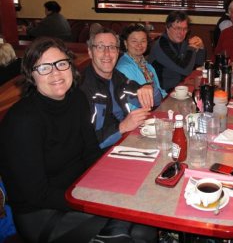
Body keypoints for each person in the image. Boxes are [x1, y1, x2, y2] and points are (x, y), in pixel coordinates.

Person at [0, 37, 157, 243]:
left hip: (79, 191)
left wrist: (120, 175)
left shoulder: (77, 99)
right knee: (137, 235)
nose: (56, 73)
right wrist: (93, 199)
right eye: (44, 67)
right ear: (31, 74)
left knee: (145, 221)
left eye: (61, 64)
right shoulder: (22, 120)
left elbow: (91, 152)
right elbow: (35, 194)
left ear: (70, 67)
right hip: (42, 214)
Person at [80, 27, 155, 149]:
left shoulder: (117, 76)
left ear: (118, 51)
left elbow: (151, 100)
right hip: (101, 155)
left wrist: (148, 88)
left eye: (112, 47)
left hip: (125, 141)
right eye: (100, 47)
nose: (107, 53)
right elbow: (89, 142)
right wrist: (123, 127)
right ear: (90, 52)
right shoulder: (83, 88)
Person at [148, 11, 205, 91]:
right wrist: (191, 48)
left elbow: (198, 63)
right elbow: (185, 70)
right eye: (178, 28)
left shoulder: (181, 42)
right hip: (164, 92)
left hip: (181, 86)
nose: (181, 33)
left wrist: (201, 48)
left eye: (185, 29)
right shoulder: (161, 45)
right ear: (167, 28)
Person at [116, 23, 166, 107]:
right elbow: (131, 105)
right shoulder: (124, 68)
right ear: (125, 43)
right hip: (140, 113)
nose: (139, 45)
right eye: (134, 41)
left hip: (155, 106)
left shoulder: (146, 64)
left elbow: (160, 90)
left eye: (143, 41)